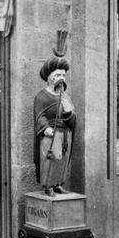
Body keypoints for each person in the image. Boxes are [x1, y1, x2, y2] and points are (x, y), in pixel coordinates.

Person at [34, 55, 76, 197]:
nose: (61, 78)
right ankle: (48, 186)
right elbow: (39, 115)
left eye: (63, 75)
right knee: (52, 158)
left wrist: (69, 112)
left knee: (63, 160)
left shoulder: (66, 97)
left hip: (65, 134)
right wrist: (46, 128)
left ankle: (58, 184)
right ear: (49, 77)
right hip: (52, 133)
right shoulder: (42, 96)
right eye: (57, 74)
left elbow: (73, 118)